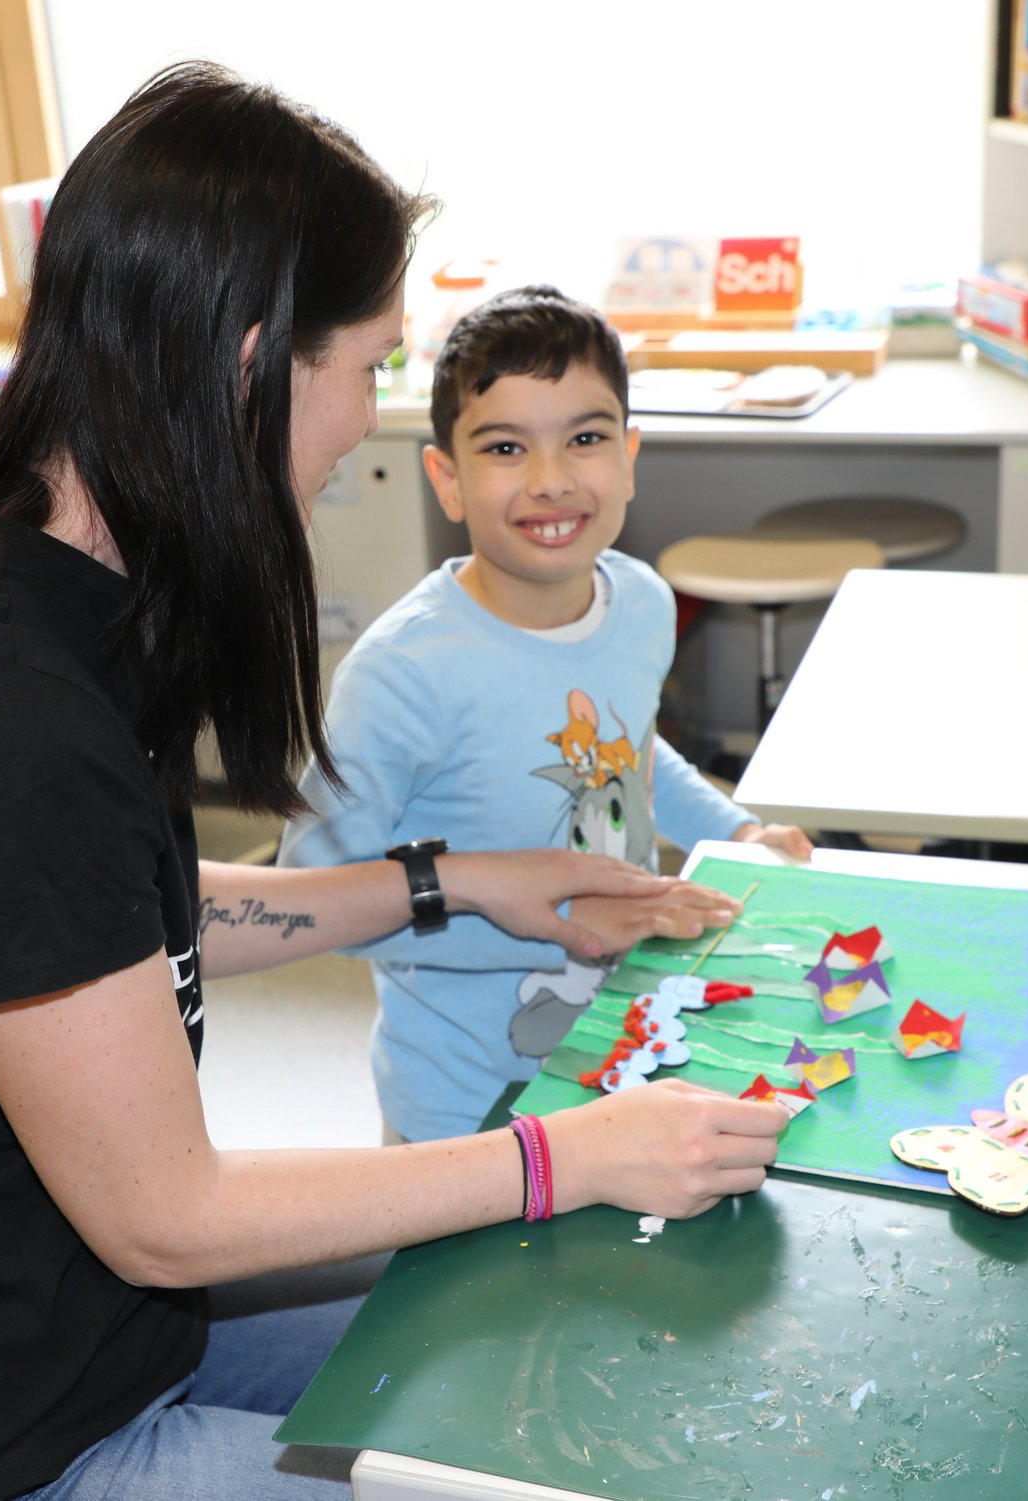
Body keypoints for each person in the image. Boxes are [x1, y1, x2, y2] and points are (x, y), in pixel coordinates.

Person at [0, 65, 789, 1501]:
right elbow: (171, 1216)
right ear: (247, 360)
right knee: (540, 1424)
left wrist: (457, 883)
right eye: (363, 365)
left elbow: (123, 917)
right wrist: (569, 1153)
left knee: (549, 1335)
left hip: (90, 1326)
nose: (364, 420)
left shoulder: (54, 575)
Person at [278, 286, 814, 1144]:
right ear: (446, 478)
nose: (552, 479)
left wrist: (734, 832)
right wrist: (551, 927)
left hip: (622, 1051)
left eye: (587, 438)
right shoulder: (404, 674)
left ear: (631, 457)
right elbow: (310, 899)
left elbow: (630, 754)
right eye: (504, 446)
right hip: (463, 1105)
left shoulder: (640, 602)